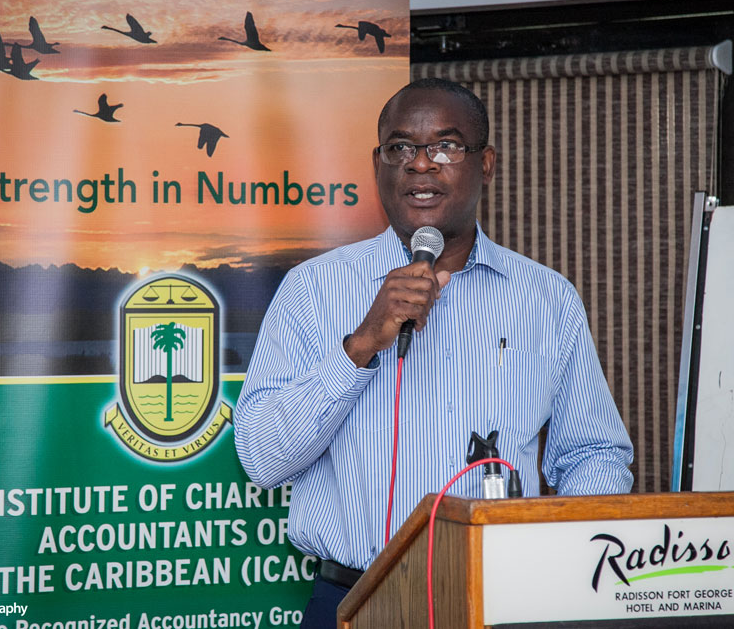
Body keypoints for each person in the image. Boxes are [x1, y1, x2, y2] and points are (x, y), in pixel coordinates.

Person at [234, 78, 633, 627]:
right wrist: (361, 345)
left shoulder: (544, 298)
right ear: (377, 164)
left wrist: (557, 558)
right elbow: (262, 459)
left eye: (445, 146)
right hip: (355, 600)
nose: (420, 165)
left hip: (503, 598)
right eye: (400, 148)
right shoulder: (314, 289)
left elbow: (594, 453)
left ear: (486, 164)